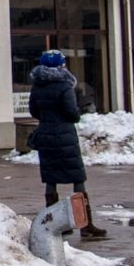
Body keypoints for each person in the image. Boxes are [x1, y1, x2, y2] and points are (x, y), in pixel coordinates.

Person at [29, 51, 106, 240]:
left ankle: (54, 225)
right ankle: (86, 226)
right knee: (77, 179)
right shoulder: (65, 86)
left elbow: (34, 111)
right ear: (61, 66)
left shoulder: (37, 86)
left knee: (50, 180)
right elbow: (72, 113)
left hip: (46, 135)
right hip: (65, 136)